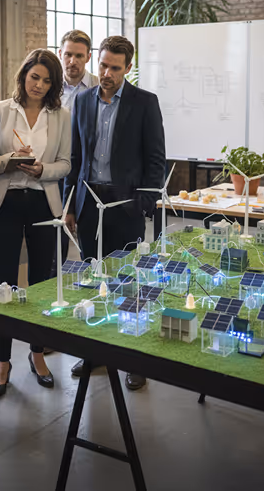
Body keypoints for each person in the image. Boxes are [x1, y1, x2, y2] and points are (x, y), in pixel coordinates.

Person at [63, 35, 165, 390]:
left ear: (128, 68)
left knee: (130, 281)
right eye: (103, 65)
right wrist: (69, 204)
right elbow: (76, 157)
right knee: (95, 280)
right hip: (89, 203)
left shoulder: (144, 103)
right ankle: (98, 355)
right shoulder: (83, 99)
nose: (106, 73)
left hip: (127, 205)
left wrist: (146, 203)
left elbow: (155, 159)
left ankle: (134, 358)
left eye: (114, 68)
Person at [0, 49, 71, 398]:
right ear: (23, 76)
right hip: (5, 203)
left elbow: (65, 163)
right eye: (34, 76)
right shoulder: (0, 110)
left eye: (47, 80)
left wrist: (42, 170)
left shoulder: (61, 115)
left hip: (43, 204)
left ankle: (37, 354)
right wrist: (11, 160)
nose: (39, 84)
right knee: (3, 282)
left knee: (41, 284)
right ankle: (2, 362)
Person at [51, 30, 99, 278]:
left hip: (84, 175)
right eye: (68, 54)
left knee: (88, 243)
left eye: (79, 55)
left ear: (88, 57)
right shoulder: (47, 87)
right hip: (52, 173)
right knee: (53, 243)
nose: (73, 61)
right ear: (60, 54)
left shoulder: (100, 87)